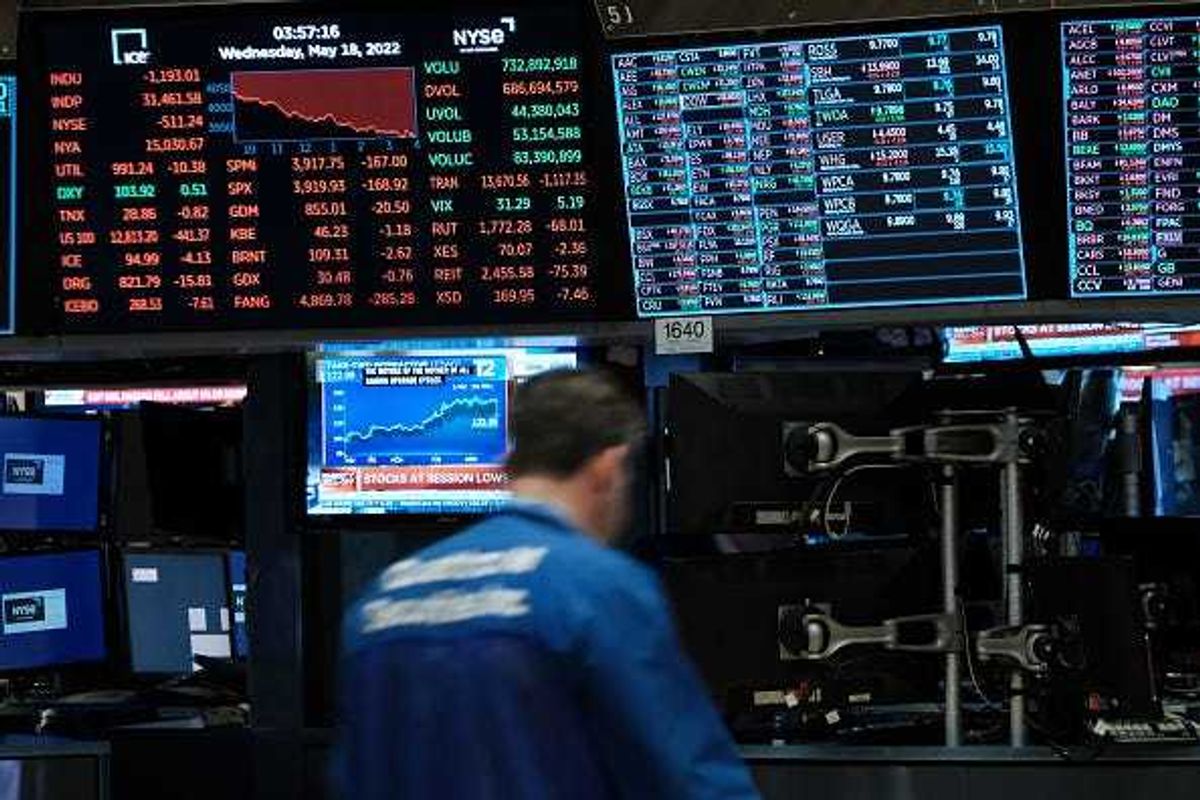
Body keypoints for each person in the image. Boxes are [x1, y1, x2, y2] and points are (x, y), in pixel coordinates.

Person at [335, 368, 760, 799]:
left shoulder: (381, 601)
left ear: (509, 468)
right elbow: (693, 780)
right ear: (608, 468)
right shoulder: (598, 588)